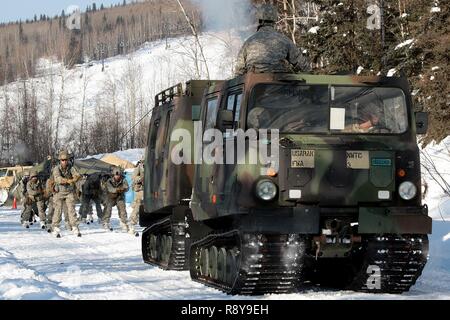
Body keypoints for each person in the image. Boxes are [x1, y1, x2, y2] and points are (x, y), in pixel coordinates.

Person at [235, 4, 310, 76]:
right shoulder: (284, 40)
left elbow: (239, 71)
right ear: (275, 20)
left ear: (260, 20)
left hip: (253, 84)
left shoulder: (249, 42)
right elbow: (302, 65)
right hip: (278, 85)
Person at [51, 150, 82, 238]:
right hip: (59, 192)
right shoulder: (56, 168)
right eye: (62, 160)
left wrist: (76, 177)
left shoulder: (71, 167)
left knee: (71, 209)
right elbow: (57, 178)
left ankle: (75, 226)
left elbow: (76, 174)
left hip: (69, 191)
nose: (64, 162)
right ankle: (55, 227)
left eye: (65, 160)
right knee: (58, 210)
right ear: (60, 161)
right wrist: (68, 180)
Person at [103, 167, 130, 232]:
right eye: (116, 175)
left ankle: (123, 223)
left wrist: (123, 189)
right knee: (107, 210)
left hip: (119, 197)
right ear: (113, 175)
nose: (117, 177)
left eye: (118, 175)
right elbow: (110, 189)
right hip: (110, 197)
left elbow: (127, 187)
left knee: (122, 209)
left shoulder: (123, 180)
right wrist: (117, 189)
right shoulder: (109, 181)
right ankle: (106, 223)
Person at [129, 159, 144, 235]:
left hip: (153, 190)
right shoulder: (140, 166)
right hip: (141, 190)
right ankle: (132, 224)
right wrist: (140, 179)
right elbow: (133, 177)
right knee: (138, 206)